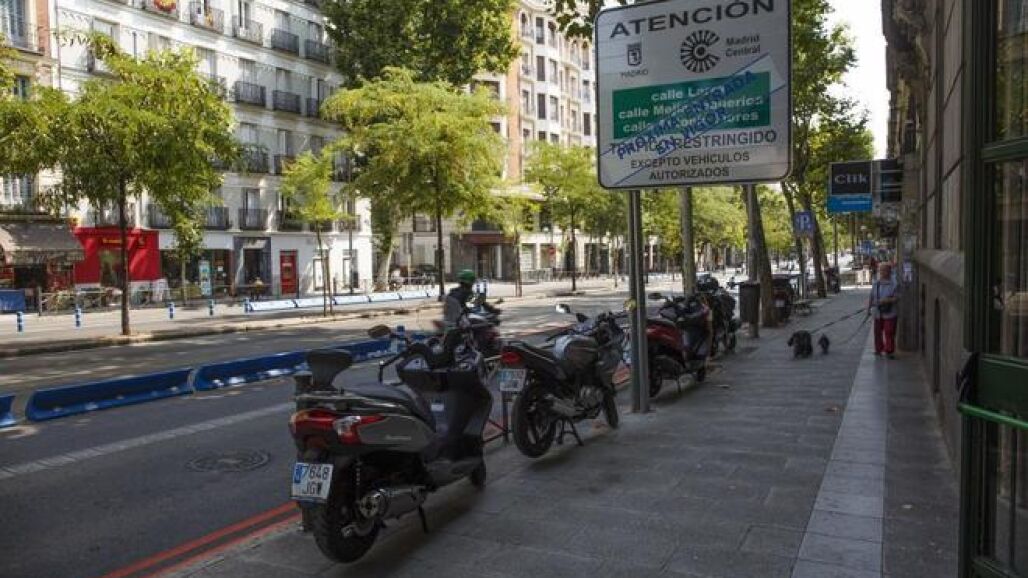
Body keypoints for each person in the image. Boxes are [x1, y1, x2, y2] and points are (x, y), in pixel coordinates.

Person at [868, 263, 900, 358]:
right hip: (878, 312)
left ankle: (889, 350)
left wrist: (887, 300)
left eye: (884, 270)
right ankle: (878, 349)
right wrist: (869, 308)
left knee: (889, 331)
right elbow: (871, 296)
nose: (882, 272)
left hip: (890, 312)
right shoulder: (876, 283)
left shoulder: (894, 284)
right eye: (880, 270)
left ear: (889, 271)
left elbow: (897, 297)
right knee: (877, 332)